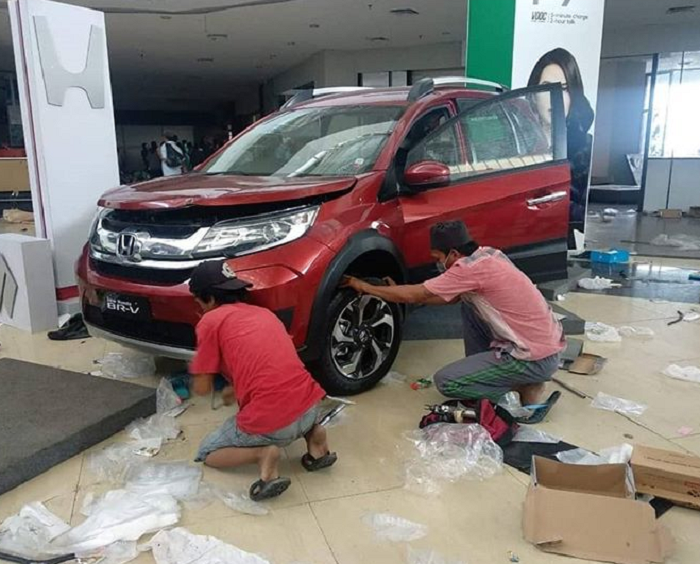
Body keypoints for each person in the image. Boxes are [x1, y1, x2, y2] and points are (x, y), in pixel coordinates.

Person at [343, 221, 565, 409]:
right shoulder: (488, 255)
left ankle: (523, 385)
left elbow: (416, 293)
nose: (438, 263)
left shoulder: (468, 269)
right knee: (469, 305)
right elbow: (444, 296)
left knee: (447, 382)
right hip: (547, 346)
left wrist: (365, 287)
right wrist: (396, 292)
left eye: (438, 257)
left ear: (454, 253)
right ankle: (492, 371)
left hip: (533, 358)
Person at [188, 259, 337, 501]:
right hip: (311, 407)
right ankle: (315, 437)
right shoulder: (263, 314)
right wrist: (234, 387)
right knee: (292, 409)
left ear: (209, 299)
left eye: (198, 302)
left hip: (274, 424)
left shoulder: (210, 321)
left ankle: (262, 455)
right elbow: (267, 364)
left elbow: (203, 387)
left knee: (208, 453)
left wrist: (196, 377)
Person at [528, 48, 594, 243]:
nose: (554, 97)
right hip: (519, 237)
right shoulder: (516, 143)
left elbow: (582, 213)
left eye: (564, 89)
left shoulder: (584, 148)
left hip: (561, 243)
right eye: (546, 88)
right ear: (533, 93)